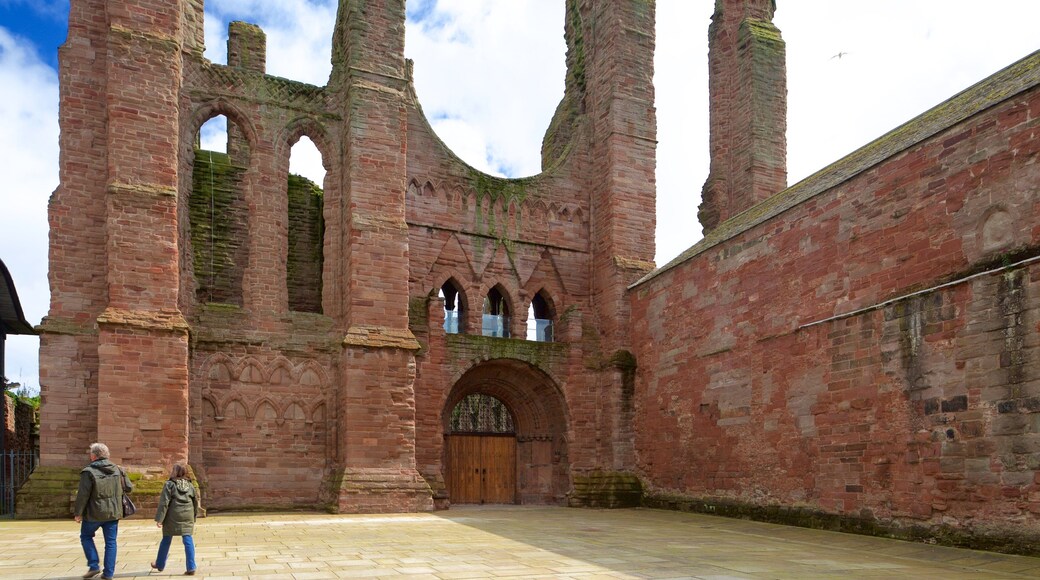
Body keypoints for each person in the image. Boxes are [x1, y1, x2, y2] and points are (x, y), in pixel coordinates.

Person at [74, 442, 132, 580]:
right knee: (111, 542)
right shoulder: (119, 470)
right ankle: (108, 573)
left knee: (86, 537)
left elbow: (83, 495)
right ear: (107, 455)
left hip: (94, 513)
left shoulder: (88, 472)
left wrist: (78, 513)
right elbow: (129, 488)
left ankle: (94, 565)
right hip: (113, 512)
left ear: (94, 456)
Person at [151, 463, 200, 576]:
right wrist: (194, 516)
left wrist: (160, 519)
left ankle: (160, 564)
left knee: (166, 539)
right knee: (188, 540)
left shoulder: (169, 484)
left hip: (172, 515)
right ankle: (191, 566)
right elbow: (195, 502)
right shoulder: (190, 485)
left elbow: (164, 503)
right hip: (187, 514)